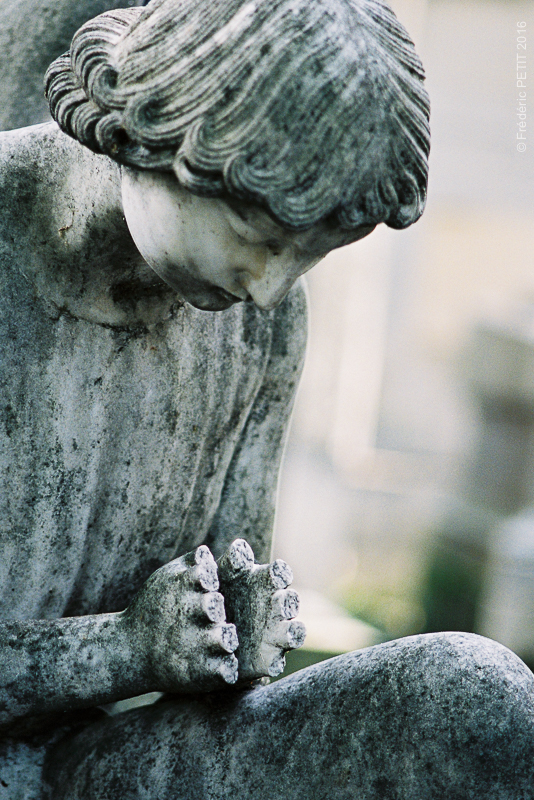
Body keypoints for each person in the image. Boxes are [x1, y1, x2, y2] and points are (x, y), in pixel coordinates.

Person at [2, 0, 531, 797]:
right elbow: (140, 654)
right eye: (258, 237)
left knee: (474, 700)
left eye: (310, 257)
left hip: (95, 764)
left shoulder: (266, 324)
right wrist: (124, 650)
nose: (270, 288)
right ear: (168, 129)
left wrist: (238, 630)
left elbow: (217, 659)